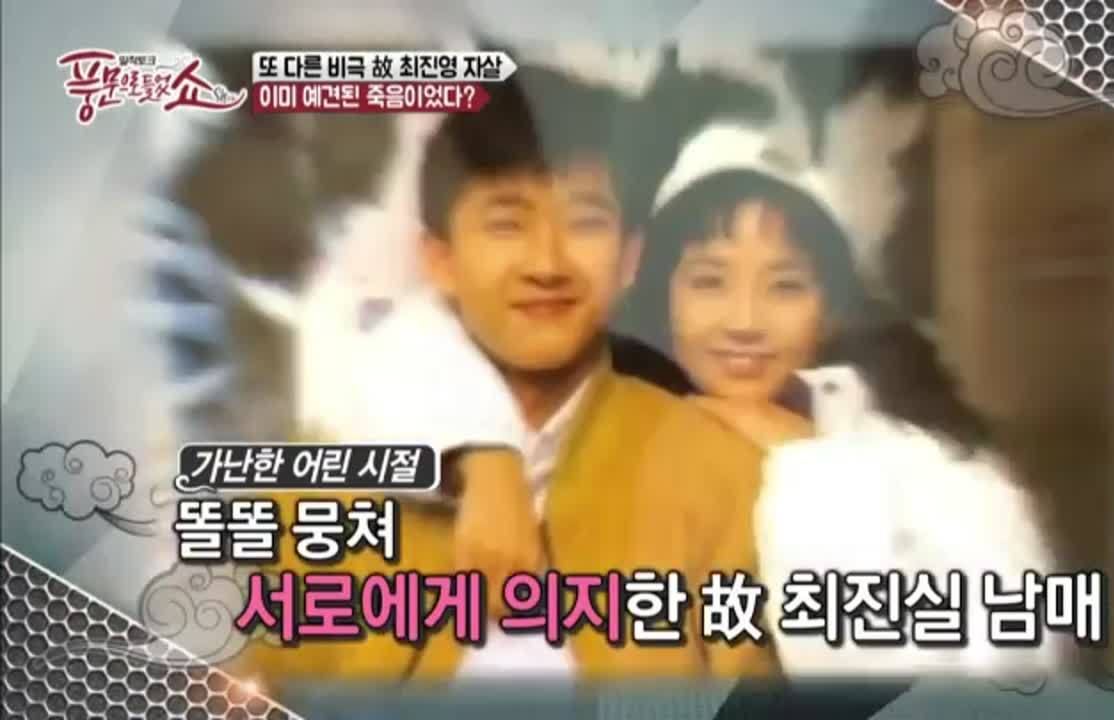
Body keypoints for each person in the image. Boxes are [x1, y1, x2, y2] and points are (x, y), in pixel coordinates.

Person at [239, 64, 779, 689]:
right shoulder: (323, 484)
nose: (546, 262)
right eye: (507, 223)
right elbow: (264, 686)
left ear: (630, 257)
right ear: (439, 259)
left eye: (584, 221)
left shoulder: (718, 473)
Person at [620, 120, 1063, 677]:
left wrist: (803, 459)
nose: (745, 321)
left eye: (786, 286)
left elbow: (1016, 655)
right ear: (663, 299)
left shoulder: (920, 450)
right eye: (709, 282)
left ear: (830, 308)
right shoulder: (612, 444)